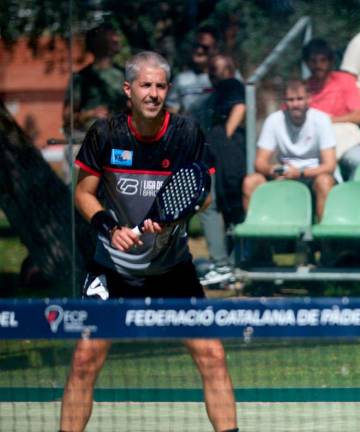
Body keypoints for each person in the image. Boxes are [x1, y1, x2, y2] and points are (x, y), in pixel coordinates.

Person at [64, 51, 238, 432]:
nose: (154, 93)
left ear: (168, 90)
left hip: (171, 268)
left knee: (212, 355)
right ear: (129, 89)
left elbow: (202, 194)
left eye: (160, 86)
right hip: (111, 269)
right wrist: (110, 228)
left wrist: (176, 215)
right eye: (146, 85)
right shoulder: (105, 134)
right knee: (84, 361)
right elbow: (83, 193)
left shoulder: (187, 135)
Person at [241, 80, 336, 221]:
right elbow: (260, 162)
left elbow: (330, 165)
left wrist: (300, 173)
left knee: (324, 181)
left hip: (312, 176)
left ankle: (324, 239)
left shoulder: (321, 120)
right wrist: (273, 169)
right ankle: (258, 236)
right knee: (250, 182)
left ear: (309, 99)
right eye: (291, 100)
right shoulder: (274, 120)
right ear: (285, 102)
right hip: (284, 175)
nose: (295, 104)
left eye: (300, 99)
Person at [198, 54, 246, 286]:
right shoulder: (215, 93)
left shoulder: (231, 84)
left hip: (227, 154)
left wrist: (224, 137)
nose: (211, 74)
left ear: (228, 71)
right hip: (220, 153)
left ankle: (223, 265)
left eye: (215, 70)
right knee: (220, 206)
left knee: (214, 204)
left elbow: (239, 106)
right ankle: (227, 264)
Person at [303, 38, 360, 179]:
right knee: (327, 171)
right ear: (306, 63)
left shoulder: (344, 80)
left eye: (323, 61)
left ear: (330, 61)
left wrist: (330, 120)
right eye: (313, 61)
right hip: (315, 143)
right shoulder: (302, 90)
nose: (318, 65)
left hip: (346, 138)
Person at [63, 23, 126, 140]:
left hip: (119, 141)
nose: (117, 39)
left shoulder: (126, 75)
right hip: (89, 141)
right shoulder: (81, 78)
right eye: (111, 36)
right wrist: (91, 114)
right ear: (99, 42)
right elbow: (67, 117)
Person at [166, 26, 218, 125]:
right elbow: (171, 112)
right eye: (196, 45)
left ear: (215, 49)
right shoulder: (180, 79)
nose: (199, 50)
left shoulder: (227, 77)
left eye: (205, 47)